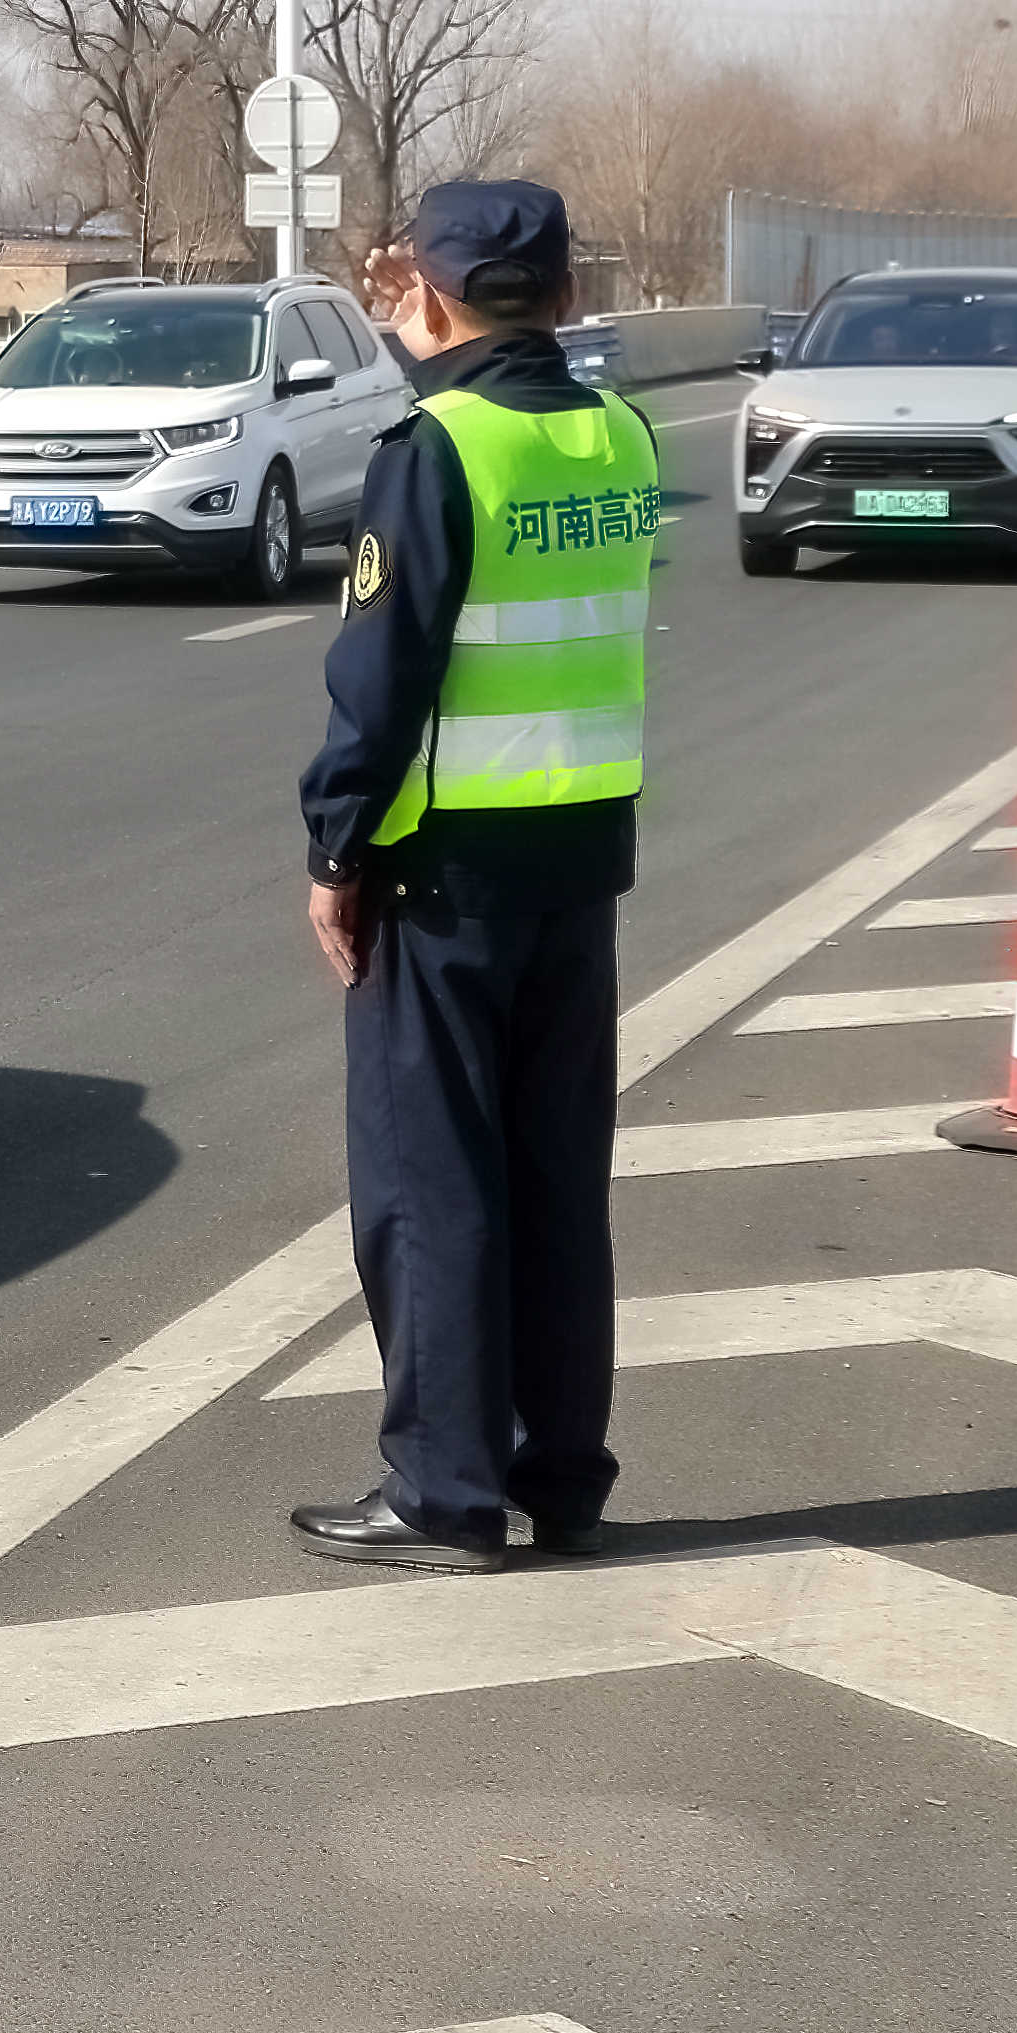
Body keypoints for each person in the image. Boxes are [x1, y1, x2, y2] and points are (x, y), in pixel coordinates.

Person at [288, 178, 654, 1575]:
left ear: (428, 293)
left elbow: (380, 679)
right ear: (561, 292)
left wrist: (337, 844)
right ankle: (560, 1476)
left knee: (430, 1183)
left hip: (442, 877)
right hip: (578, 856)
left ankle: (443, 1486)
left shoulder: (435, 446)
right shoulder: (613, 433)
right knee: (557, 1179)